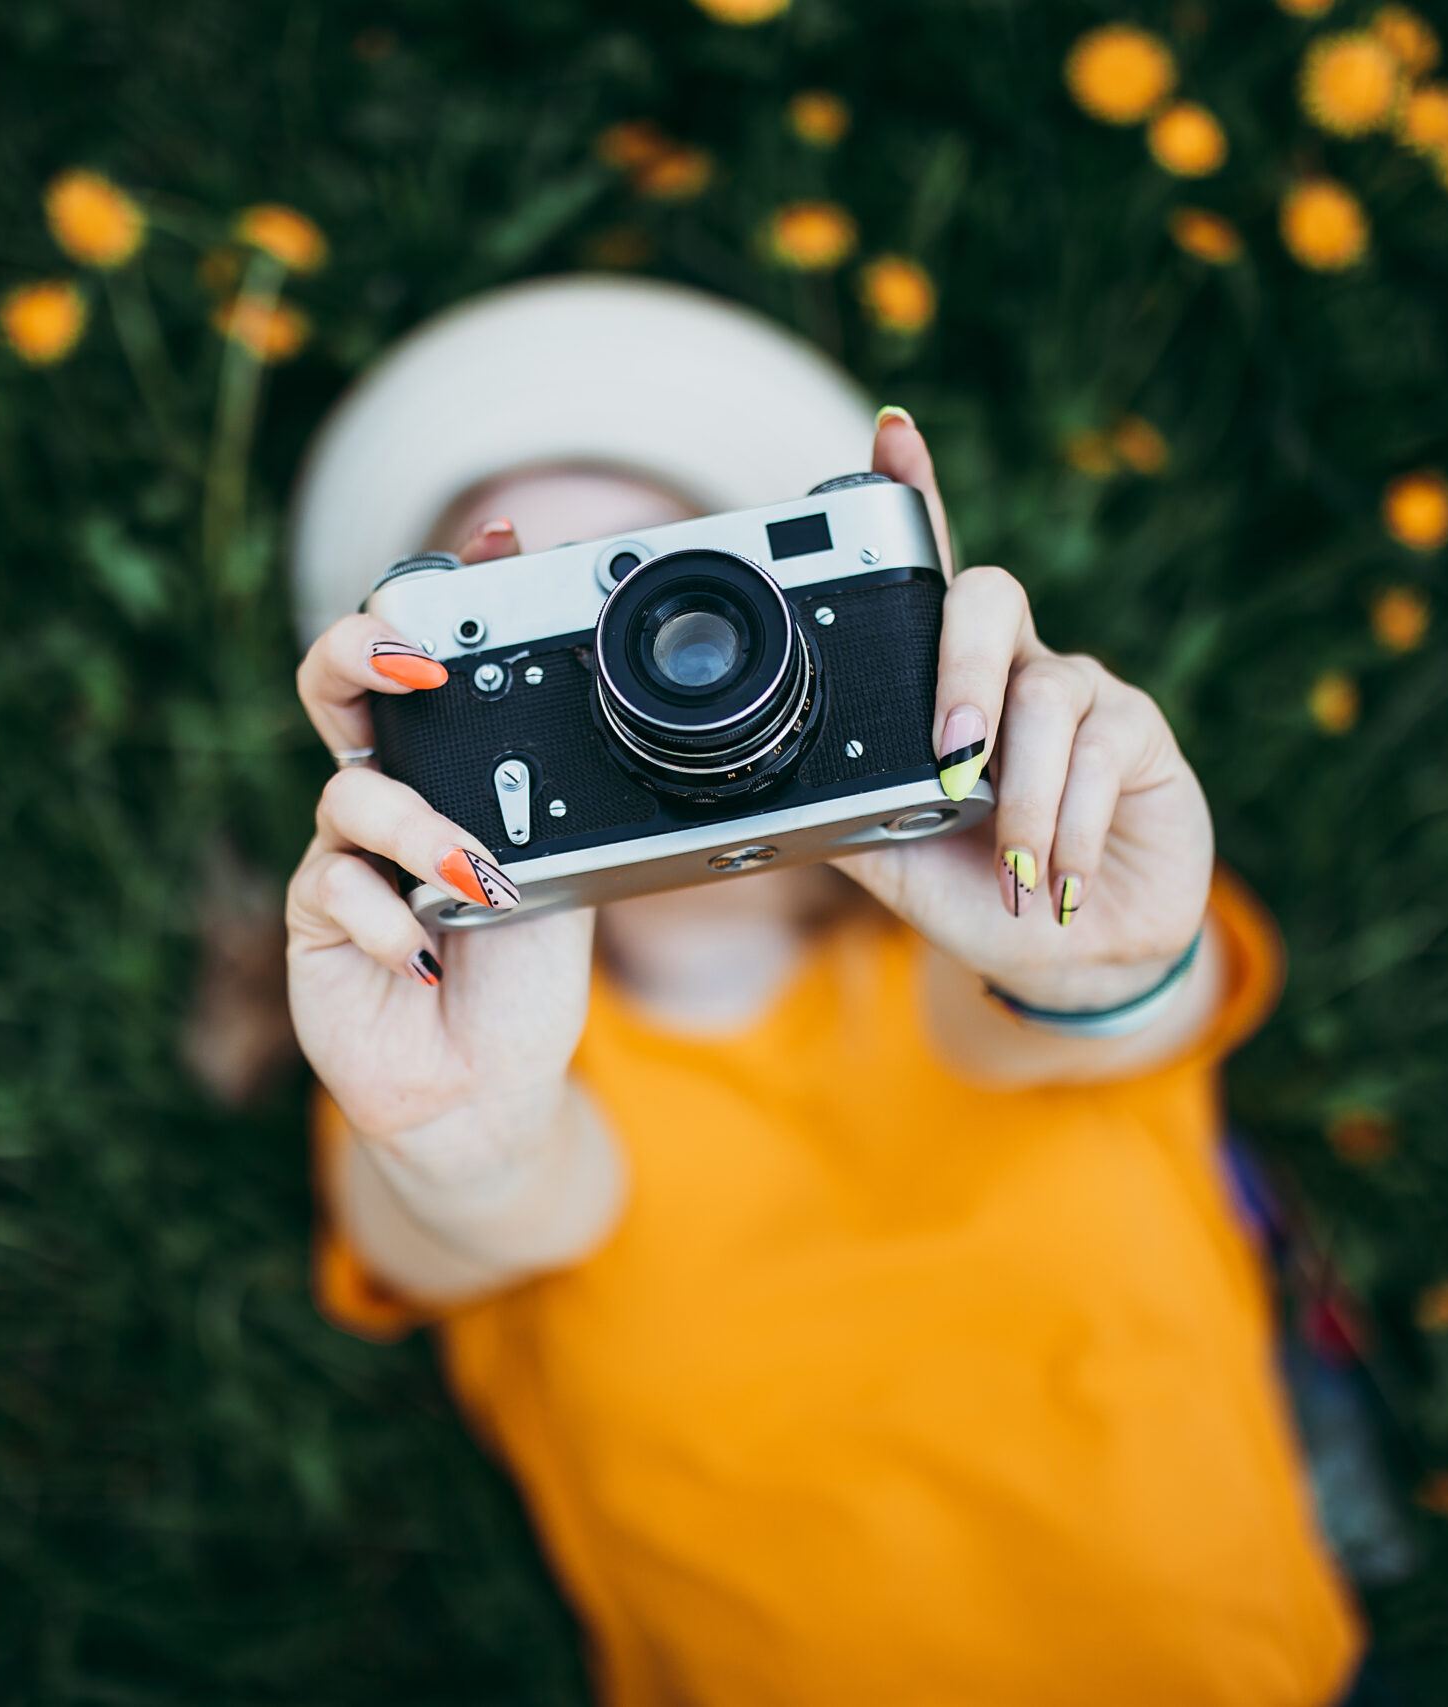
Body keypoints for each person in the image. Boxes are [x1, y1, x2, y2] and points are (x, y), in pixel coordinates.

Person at [283, 277, 1361, 1704]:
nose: (647, 659)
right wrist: (459, 1149)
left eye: (666, 577)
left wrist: (1090, 955)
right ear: (441, 699)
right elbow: (483, 1198)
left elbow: (1092, 1014)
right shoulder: (458, 1044)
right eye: (528, 616)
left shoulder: (1001, 923)